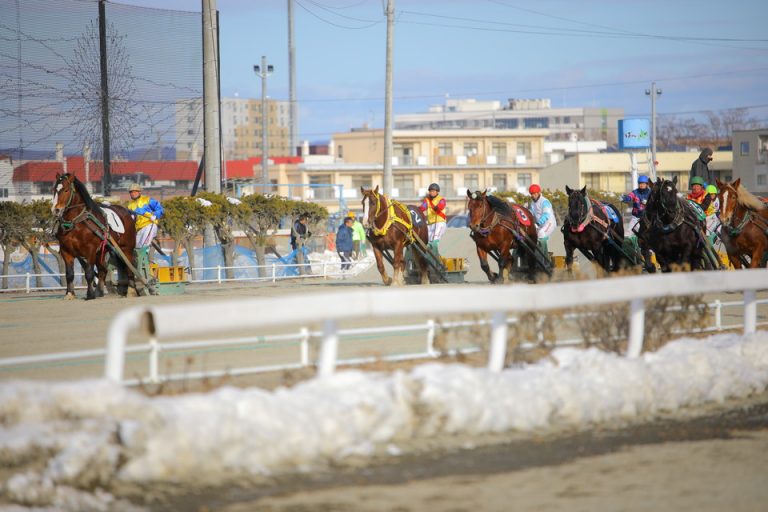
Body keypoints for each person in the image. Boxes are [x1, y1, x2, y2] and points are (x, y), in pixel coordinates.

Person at [127, 183, 164, 249]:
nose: (133, 193)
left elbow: (160, 208)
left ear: (139, 192)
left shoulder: (147, 199)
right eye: (131, 192)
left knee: (143, 246)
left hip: (149, 225)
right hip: (138, 229)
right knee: (135, 247)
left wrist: (155, 215)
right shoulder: (130, 205)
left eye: (135, 191)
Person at [419, 183, 447, 252]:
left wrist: (437, 207)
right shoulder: (427, 200)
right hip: (430, 224)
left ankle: (435, 256)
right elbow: (423, 207)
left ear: (437, 192)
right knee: (428, 241)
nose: (432, 192)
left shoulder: (441, 199)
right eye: (431, 191)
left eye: (433, 191)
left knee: (435, 239)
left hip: (440, 222)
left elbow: (442, 205)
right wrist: (417, 209)